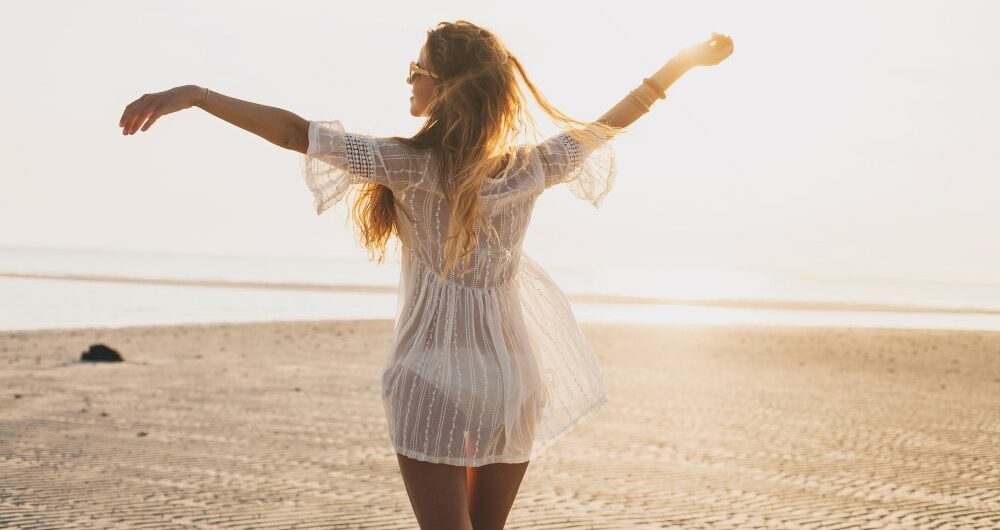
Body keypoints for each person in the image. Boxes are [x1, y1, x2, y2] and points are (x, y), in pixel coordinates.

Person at [119, 20, 733, 530]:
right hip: (512, 380)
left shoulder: (406, 163)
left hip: (428, 376)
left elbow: (294, 134)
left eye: (416, 71)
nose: (408, 81)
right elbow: (613, 121)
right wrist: (680, 63)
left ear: (443, 86)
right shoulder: (532, 167)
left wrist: (197, 95)